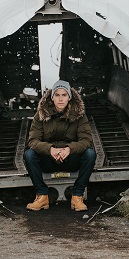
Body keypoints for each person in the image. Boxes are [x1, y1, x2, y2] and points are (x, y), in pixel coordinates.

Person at [24, 80, 96, 211]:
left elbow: (86, 140)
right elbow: (33, 140)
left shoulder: (79, 115)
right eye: (57, 95)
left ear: (69, 97)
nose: (60, 99)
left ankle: (77, 195)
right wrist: (49, 149)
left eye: (64, 95)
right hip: (48, 160)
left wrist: (69, 149)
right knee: (29, 154)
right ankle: (42, 196)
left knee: (90, 153)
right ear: (52, 97)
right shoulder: (40, 114)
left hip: (71, 159)